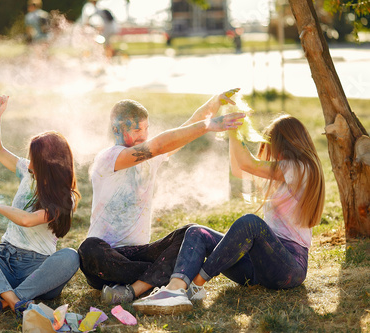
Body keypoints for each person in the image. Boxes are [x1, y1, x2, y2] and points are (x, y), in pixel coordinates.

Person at [132, 115, 325, 315]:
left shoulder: (301, 168)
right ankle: (175, 290)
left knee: (251, 223)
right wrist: (234, 134)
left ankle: (197, 284)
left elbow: (248, 164)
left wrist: (234, 130)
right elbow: (239, 168)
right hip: (257, 266)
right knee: (196, 232)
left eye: (270, 143)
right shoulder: (281, 174)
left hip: (288, 268)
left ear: (283, 143)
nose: (268, 149)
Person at [78, 89, 246, 305]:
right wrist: (209, 125)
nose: (143, 135)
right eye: (137, 129)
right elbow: (158, 145)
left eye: (146, 128)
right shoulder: (109, 157)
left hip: (139, 254)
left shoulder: (152, 158)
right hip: (106, 260)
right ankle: (170, 274)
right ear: (116, 129)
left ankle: (135, 289)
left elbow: (182, 131)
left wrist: (211, 104)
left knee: (190, 234)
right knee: (88, 248)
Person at [0, 95, 81, 319]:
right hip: (3, 264)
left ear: (48, 164)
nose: (29, 162)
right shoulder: (28, 171)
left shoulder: (66, 198)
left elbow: (27, 219)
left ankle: (5, 301)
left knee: (71, 256)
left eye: (34, 158)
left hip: (38, 272)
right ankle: (16, 301)